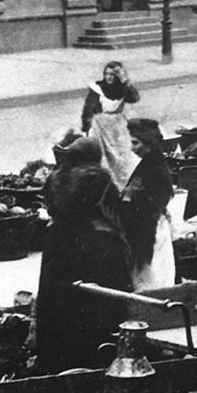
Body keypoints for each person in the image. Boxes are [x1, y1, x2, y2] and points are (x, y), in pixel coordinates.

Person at [35, 133, 132, 372]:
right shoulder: (98, 176)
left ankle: (57, 360)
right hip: (94, 245)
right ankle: (100, 355)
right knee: (101, 300)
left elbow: (50, 209)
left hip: (58, 244)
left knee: (59, 301)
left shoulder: (54, 177)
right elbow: (113, 210)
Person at [119, 118, 176, 292]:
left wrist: (127, 198)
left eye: (136, 143)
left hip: (149, 231)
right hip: (152, 226)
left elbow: (152, 203)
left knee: (151, 275)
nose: (132, 148)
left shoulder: (153, 169)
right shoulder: (152, 164)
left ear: (149, 144)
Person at [81, 61, 140, 187]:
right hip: (101, 127)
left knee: (122, 157)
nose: (108, 77)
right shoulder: (98, 89)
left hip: (118, 127)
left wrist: (125, 81)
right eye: (106, 74)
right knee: (104, 158)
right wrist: (86, 127)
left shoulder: (122, 89)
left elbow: (134, 98)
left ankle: (122, 185)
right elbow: (88, 109)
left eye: (112, 75)